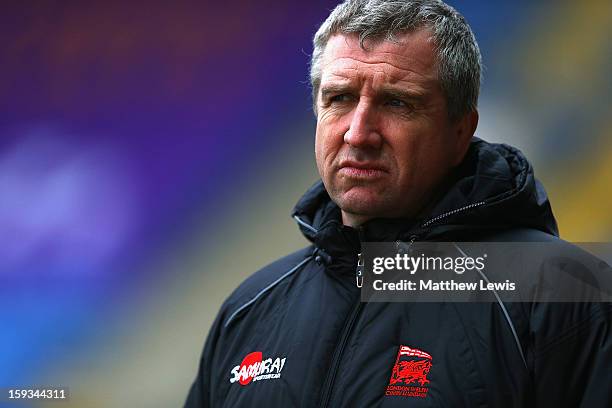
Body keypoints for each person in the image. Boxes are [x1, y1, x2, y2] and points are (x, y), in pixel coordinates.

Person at [185, 1, 611, 407]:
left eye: (397, 102)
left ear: (461, 130)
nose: (359, 133)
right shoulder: (251, 308)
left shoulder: (565, 295)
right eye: (340, 99)